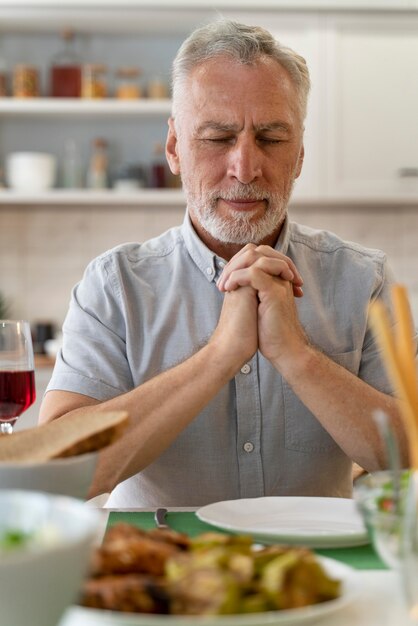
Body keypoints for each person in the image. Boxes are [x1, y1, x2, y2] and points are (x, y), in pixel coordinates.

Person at [39, 19, 410, 507]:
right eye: (217, 137)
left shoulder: (363, 279)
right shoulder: (114, 285)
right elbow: (59, 471)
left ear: (299, 154)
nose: (245, 167)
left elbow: (409, 457)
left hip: (319, 576)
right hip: (162, 572)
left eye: (272, 139)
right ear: (174, 147)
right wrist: (219, 356)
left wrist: (297, 355)